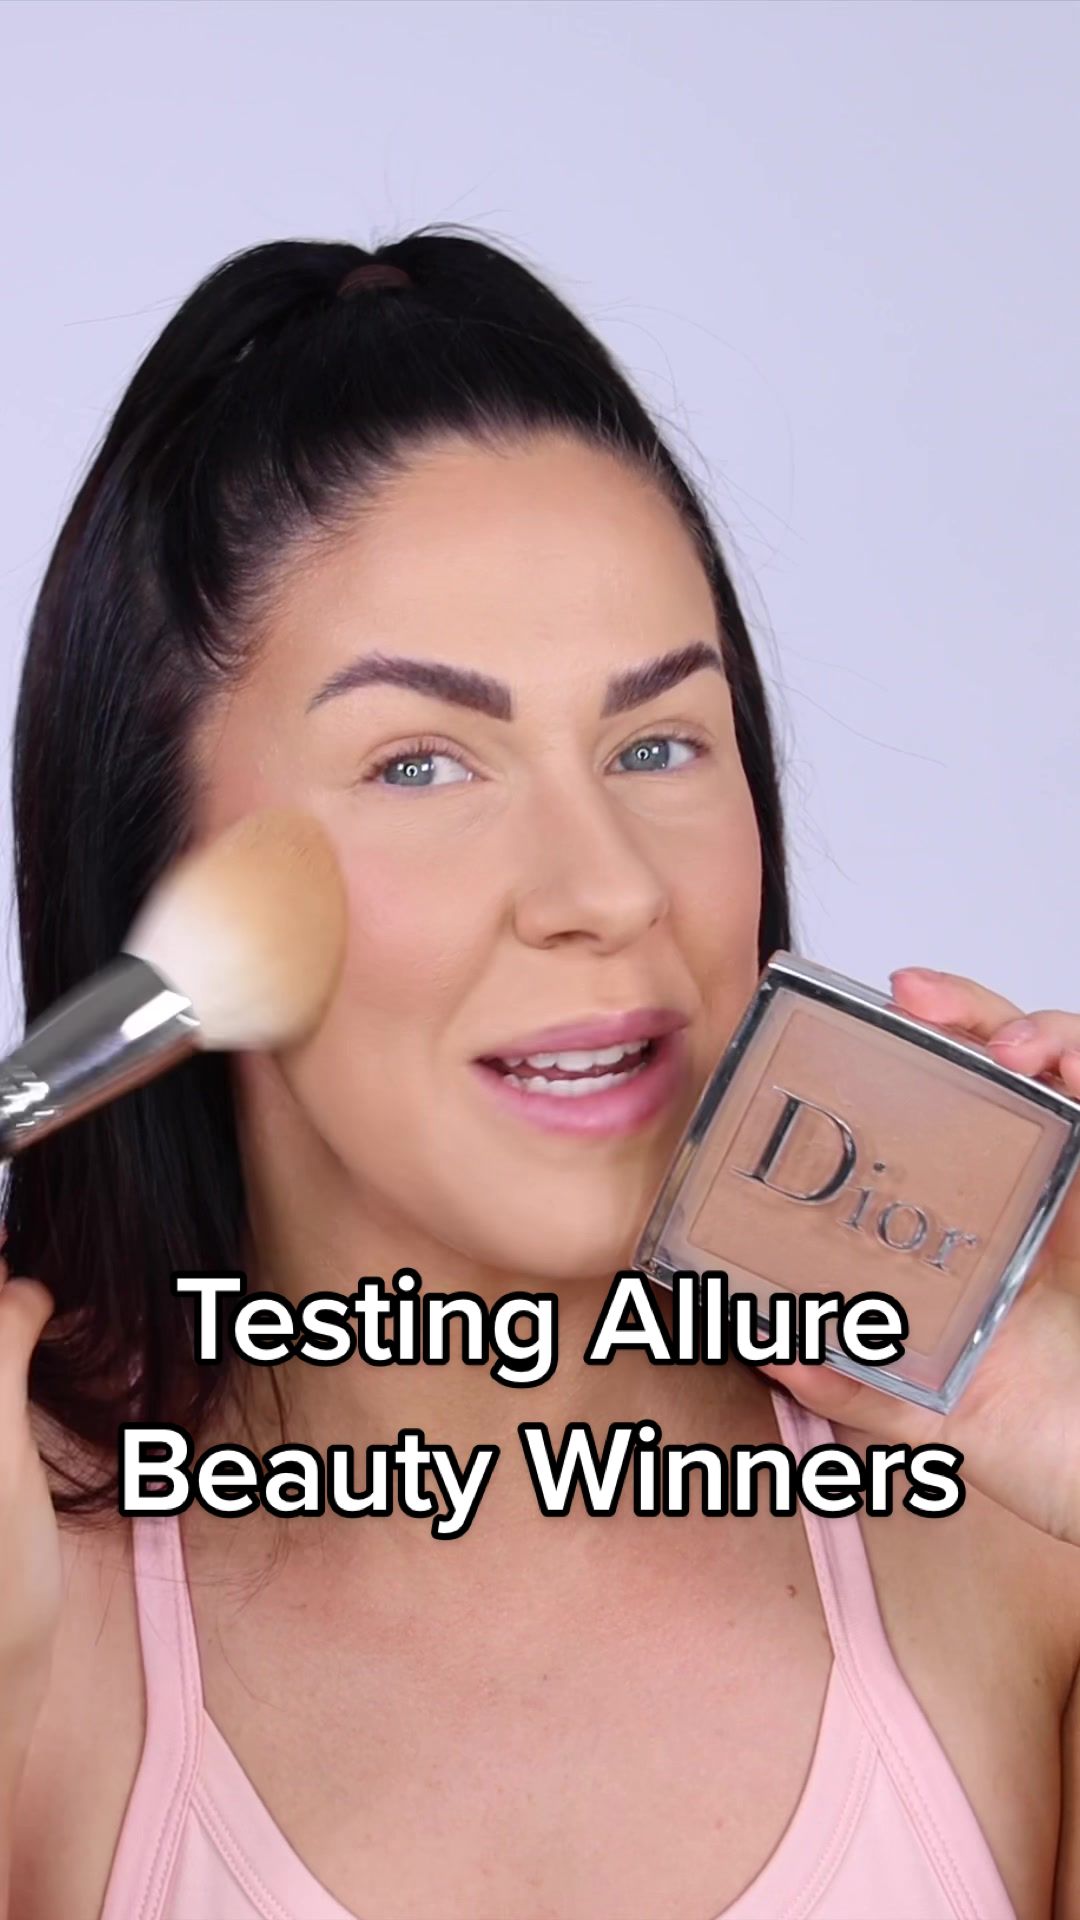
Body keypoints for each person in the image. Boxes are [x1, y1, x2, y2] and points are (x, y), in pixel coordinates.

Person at [2, 227, 1079, 1920]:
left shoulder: (1008, 1547)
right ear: (168, 865)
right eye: (421, 765)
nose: (607, 888)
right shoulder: (41, 1623)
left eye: (658, 742)